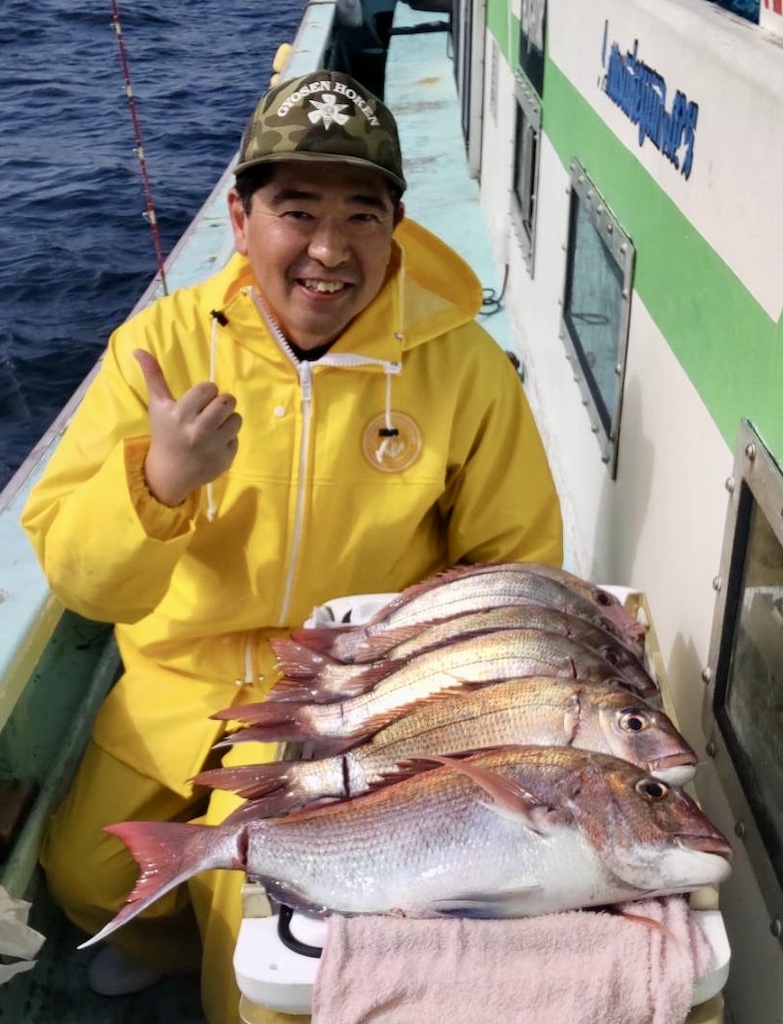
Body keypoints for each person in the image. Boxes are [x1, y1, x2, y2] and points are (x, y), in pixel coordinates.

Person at [21, 69, 563, 1024]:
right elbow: (83, 581)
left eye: (361, 214)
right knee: (84, 876)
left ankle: (223, 971)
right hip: (177, 680)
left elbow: (512, 567)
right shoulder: (159, 347)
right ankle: (165, 945)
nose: (328, 248)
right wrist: (160, 484)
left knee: (251, 932)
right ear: (240, 220)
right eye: (296, 209)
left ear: (396, 226)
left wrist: (443, 713)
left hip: (349, 702)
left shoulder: (464, 367)